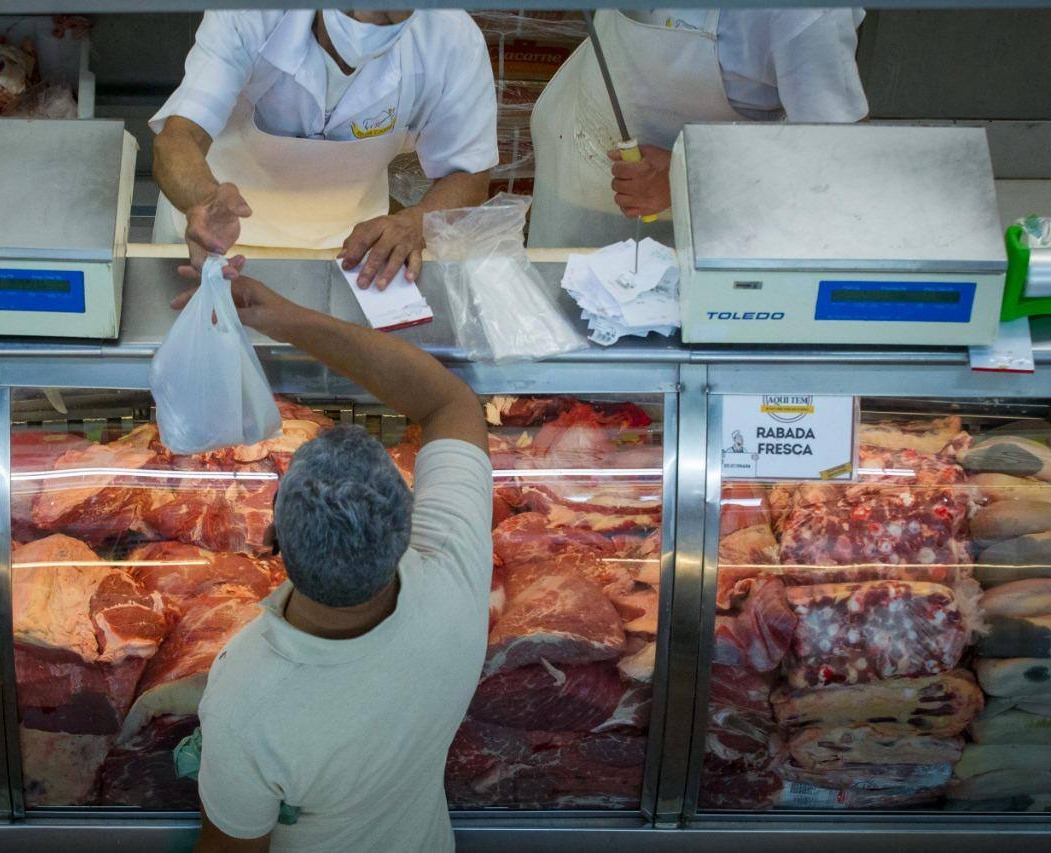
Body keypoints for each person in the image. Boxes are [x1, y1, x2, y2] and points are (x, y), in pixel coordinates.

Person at [174, 257, 492, 852]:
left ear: (272, 545)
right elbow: (448, 403)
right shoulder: (454, 584)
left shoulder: (248, 697)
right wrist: (290, 317)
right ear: (406, 529)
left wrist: (273, 317)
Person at [151, 10, 498, 289]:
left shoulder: (451, 38)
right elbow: (179, 137)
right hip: (215, 240)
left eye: (389, 14)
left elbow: (467, 173)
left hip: (354, 256)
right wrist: (201, 199)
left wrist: (414, 223)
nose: (369, 19)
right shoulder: (250, 14)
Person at [527, 8, 869, 248]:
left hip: (710, 232)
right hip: (577, 192)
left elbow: (837, 159)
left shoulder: (806, 15)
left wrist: (686, 182)